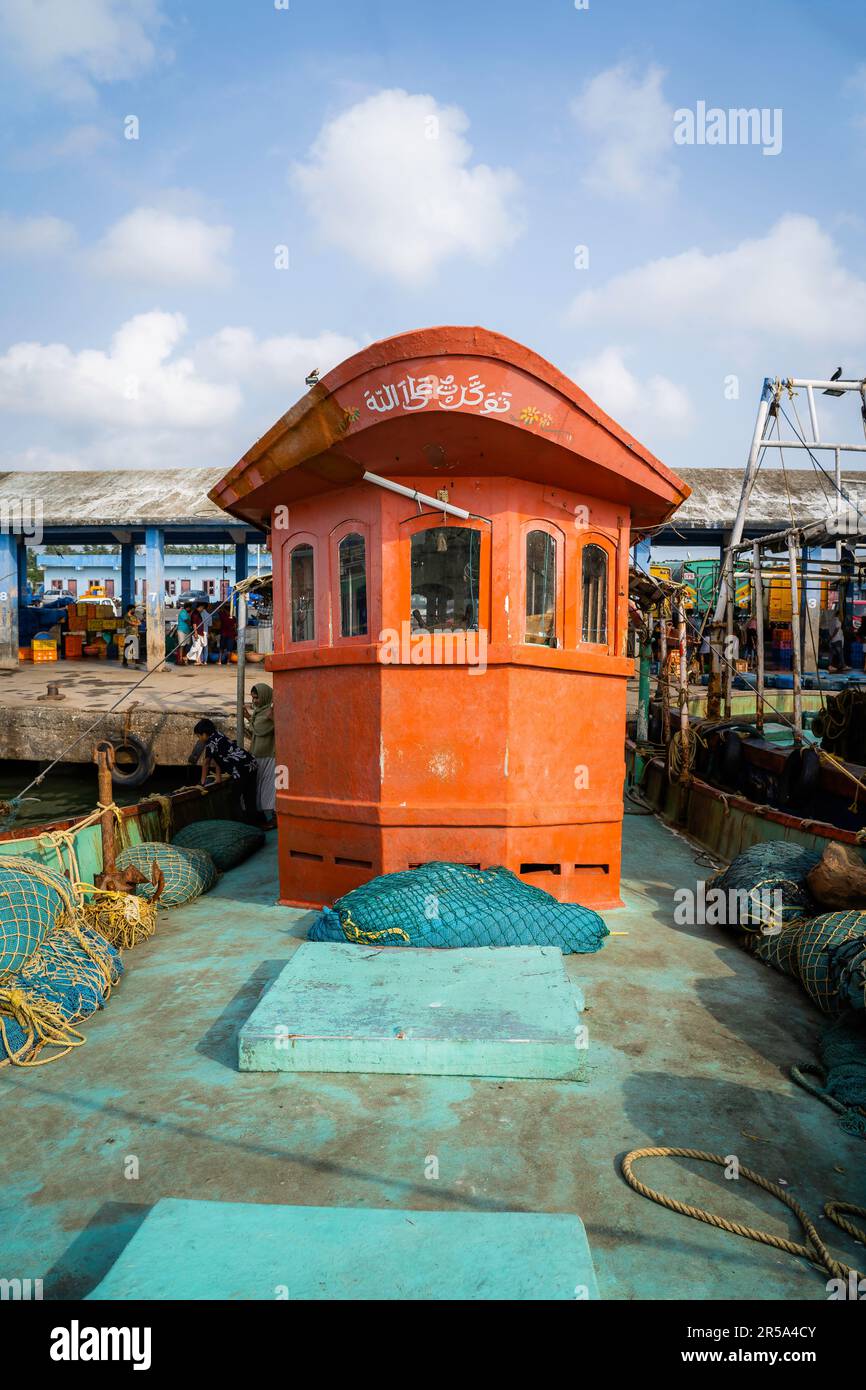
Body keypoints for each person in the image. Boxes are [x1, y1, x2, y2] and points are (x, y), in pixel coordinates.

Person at [193, 718, 259, 818]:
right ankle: (254, 823)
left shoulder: (210, 743)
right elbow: (217, 759)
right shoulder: (218, 734)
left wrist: (202, 783)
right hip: (251, 764)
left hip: (241, 770)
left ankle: (240, 825)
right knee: (249, 797)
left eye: (199, 736)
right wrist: (218, 778)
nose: (199, 739)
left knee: (233, 799)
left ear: (205, 734)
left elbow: (206, 763)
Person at [244, 683, 275, 829]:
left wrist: (249, 718)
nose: (255, 701)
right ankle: (263, 817)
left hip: (269, 755)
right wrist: (249, 717)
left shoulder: (270, 713)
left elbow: (260, 729)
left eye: (257, 698)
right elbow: (254, 731)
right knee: (260, 787)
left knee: (270, 788)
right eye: (253, 698)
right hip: (258, 754)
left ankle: (274, 819)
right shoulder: (259, 712)